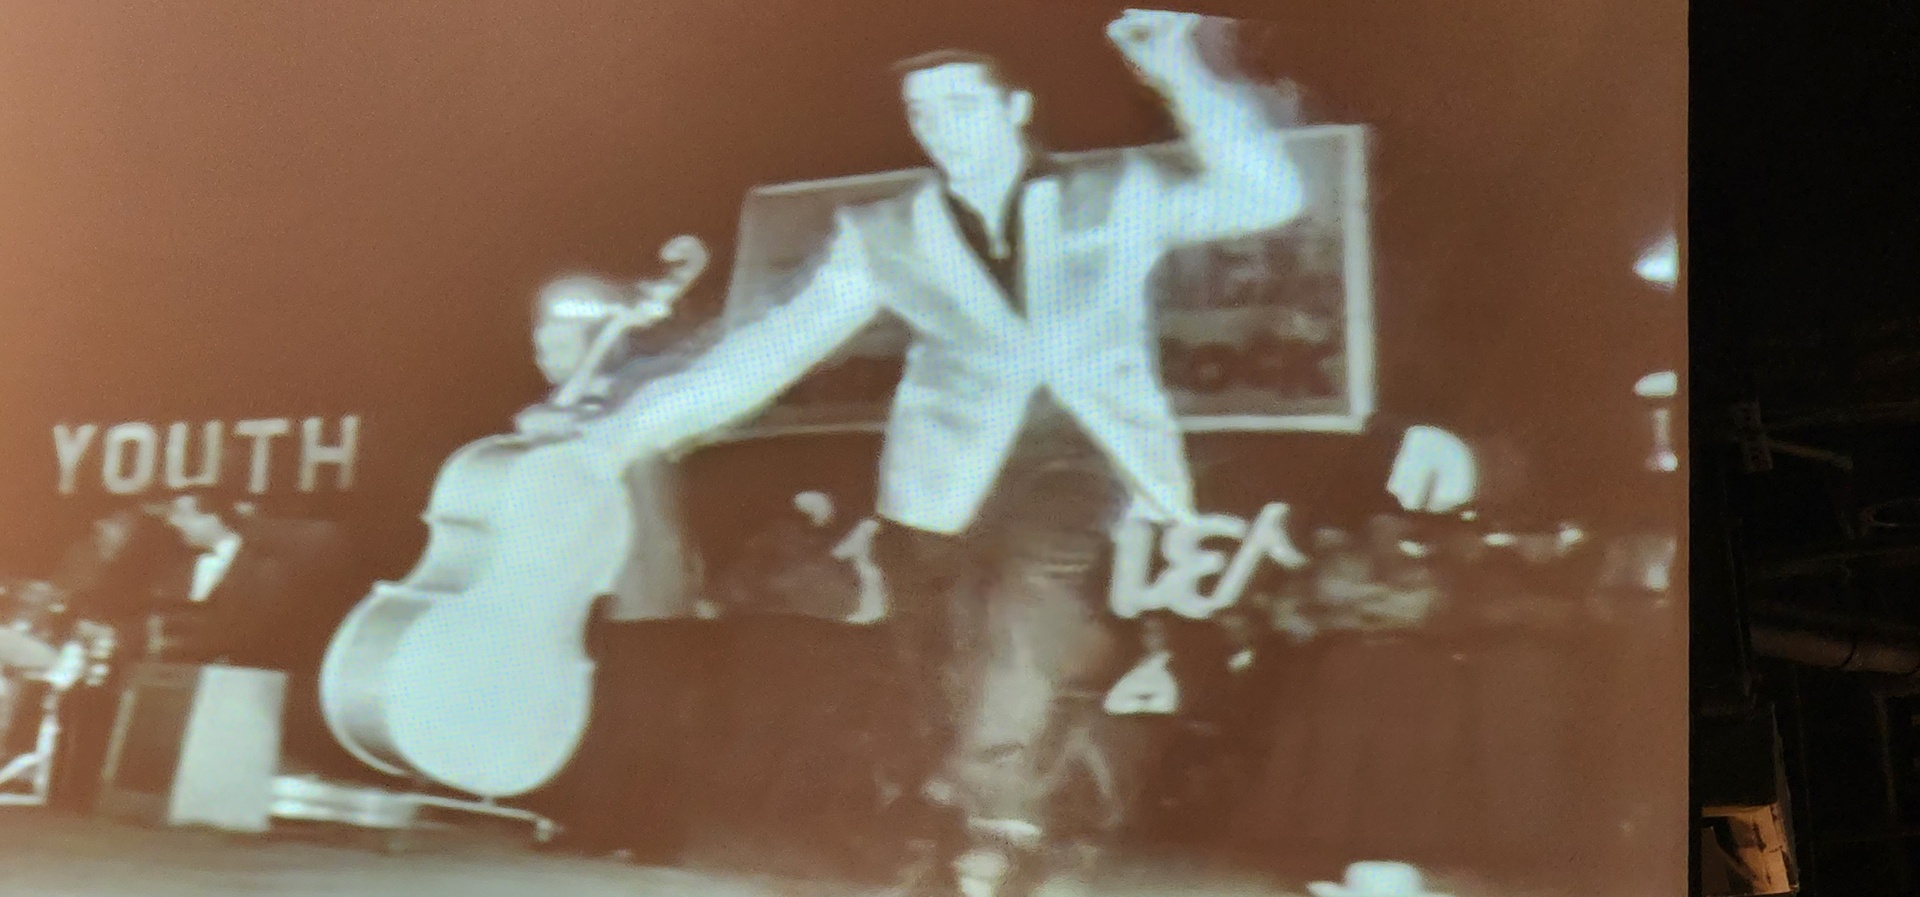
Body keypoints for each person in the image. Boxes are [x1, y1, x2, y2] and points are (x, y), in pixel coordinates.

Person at [547, 11, 1307, 895]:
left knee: (1034, 595)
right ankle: (989, 826)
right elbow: (767, 349)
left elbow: (1269, 197)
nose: (942, 126)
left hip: (1083, 453)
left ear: (1016, 108)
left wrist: (1181, 71)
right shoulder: (886, 232)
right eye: (923, 111)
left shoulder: (1115, 194)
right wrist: (621, 432)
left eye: (961, 104)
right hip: (941, 482)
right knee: (944, 674)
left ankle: (995, 827)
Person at [514, 277, 709, 865]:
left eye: (559, 346)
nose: (545, 359)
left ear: (596, 344)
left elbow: (553, 424)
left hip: (646, 575)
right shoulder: (579, 398)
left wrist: (612, 338)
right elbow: (536, 423)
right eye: (540, 348)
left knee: (646, 710)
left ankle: (654, 835)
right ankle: (597, 823)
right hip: (597, 575)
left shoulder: (634, 394)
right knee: (604, 708)